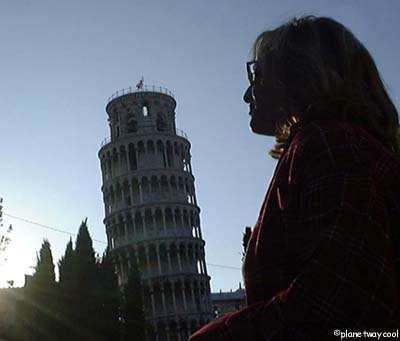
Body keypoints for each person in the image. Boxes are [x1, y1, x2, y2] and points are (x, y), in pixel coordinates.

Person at [189, 16, 400, 340]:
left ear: (299, 73)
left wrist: (218, 335)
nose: (248, 94)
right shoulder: (336, 146)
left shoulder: (331, 146)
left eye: (257, 74)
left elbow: (336, 307)